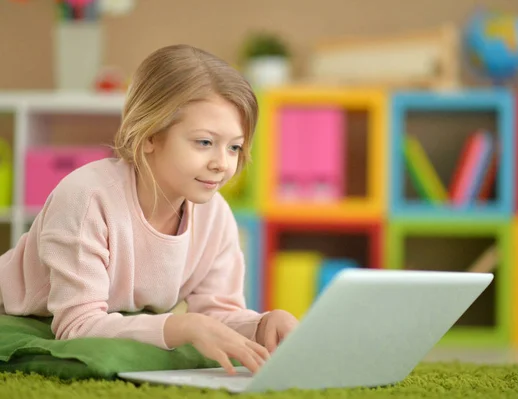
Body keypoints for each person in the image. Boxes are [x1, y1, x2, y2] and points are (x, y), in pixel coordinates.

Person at [0, 44, 298, 375]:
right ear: (149, 136)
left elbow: (218, 316)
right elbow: (77, 325)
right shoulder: (87, 197)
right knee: (131, 355)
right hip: (24, 319)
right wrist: (182, 328)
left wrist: (263, 324)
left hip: (110, 319)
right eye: (204, 142)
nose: (222, 163)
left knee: (190, 349)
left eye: (234, 147)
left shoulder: (215, 215)